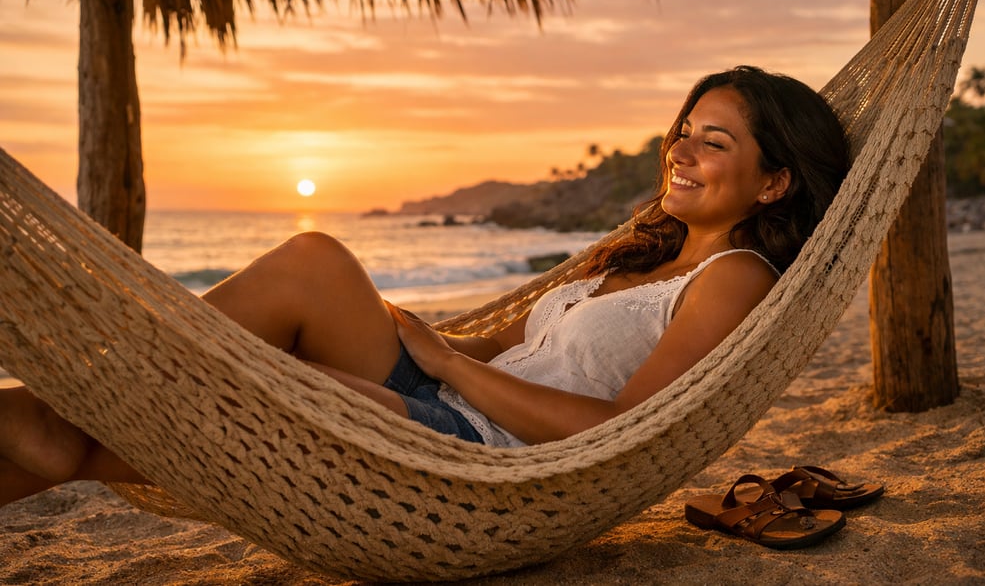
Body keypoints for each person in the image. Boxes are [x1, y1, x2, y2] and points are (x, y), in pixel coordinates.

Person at [0, 65, 850, 505]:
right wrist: (407, 329)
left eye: (715, 142)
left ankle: (61, 426)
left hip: (480, 456)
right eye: (684, 132)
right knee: (318, 260)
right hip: (445, 399)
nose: (682, 151)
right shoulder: (635, 255)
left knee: (251, 400)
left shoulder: (734, 277)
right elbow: (518, 347)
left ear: (774, 182)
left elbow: (625, 431)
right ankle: (77, 403)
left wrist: (447, 366)